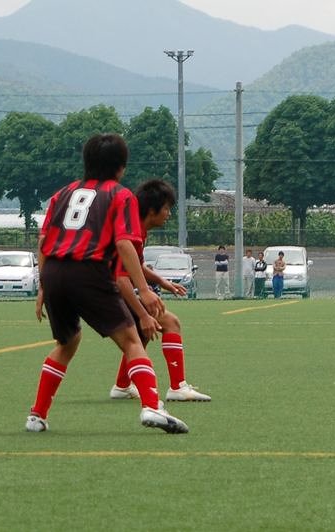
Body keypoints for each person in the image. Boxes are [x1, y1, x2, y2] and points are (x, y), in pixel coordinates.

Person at [28, 133, 187, 434]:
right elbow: (125, 244)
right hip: (89, 271)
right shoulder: (121, 195)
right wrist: (144, 292)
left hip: (54, 272)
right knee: (132, 341)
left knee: (67, 342)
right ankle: (152, 407)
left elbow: (44, 240)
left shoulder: (62, 193)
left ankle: (37, 415)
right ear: (121, 166)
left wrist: (42, 287)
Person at [108, 179, 211, 402]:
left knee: (143, 331)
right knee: (170, 322)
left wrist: (163, 282)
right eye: (166, 208)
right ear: (152, 211)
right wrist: (143, 312)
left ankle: (122, 385)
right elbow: (122, 279)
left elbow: (136, 266)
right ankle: (177, 387)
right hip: (104, 292)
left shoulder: (137, 229)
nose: (169, 214)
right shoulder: (133, 232)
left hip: (100, 289)